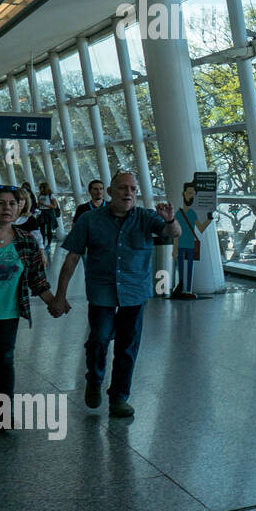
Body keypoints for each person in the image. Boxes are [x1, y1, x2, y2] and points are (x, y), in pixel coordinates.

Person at [52, 171, 180, 418]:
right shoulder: (90, 220)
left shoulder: (146, 217)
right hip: (102, 290)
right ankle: (94, 378)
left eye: (133, 189)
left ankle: (119, 397)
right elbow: (72, 257)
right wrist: (60, 295)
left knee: (127, 345)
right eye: (123, 188)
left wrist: (170, 219)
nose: (128, 194)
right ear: (110, 192)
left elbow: (173, 233)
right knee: (99, 339)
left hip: (134, 291)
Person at [0, 185, 65, 430]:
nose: (7, 208)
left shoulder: (26, 241)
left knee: (4, 363)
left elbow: (37, 279)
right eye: (1, 203)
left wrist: (54, 302)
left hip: (7, 313)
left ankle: (4, 415)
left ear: (19, 209)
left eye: (12, 204)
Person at [171, 180, 212, 300]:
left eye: (193, 194)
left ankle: (187, 290)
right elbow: (175, 233)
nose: (191, 196)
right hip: (182, 244)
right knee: (182, 269)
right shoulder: (179, 213)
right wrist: (175, 248)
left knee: (189, 269)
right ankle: (182, 289)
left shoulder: (192, 213)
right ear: (183, 194)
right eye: (189, 193)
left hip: (190, 245)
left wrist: (209, 220)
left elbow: (200, 228)